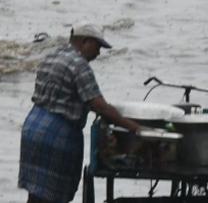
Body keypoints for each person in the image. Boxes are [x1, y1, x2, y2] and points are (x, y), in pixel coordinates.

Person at [19, 25, 141, 203]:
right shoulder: (79, 65)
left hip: (33, 130)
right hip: (57, 136)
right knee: (53, 197)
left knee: (36, 196)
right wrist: (135, 128)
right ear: (85, 42)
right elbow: (99, 106)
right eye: (97, 47)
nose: (98, 54)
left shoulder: (52, 57)